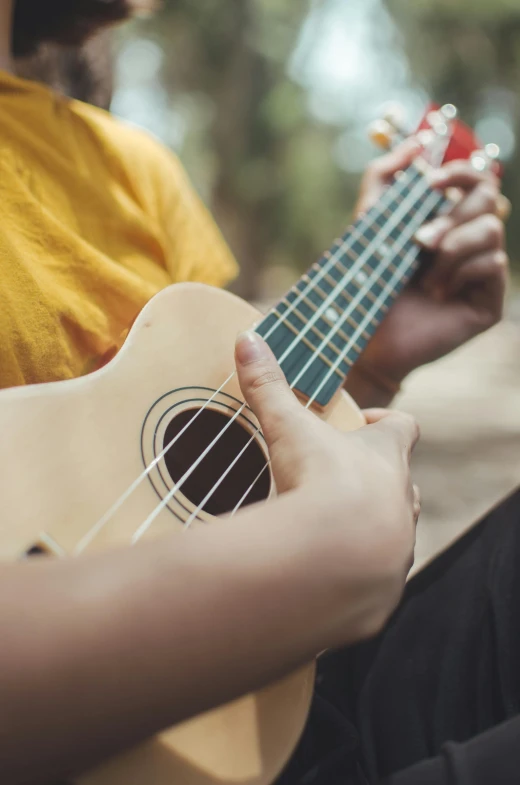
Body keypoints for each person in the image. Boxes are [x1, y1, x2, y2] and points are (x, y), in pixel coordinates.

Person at [0, 2, 513, 784]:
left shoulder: (135, 171)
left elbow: (210, 439)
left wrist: (363, 366)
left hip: (271, 718)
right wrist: (327, 555)